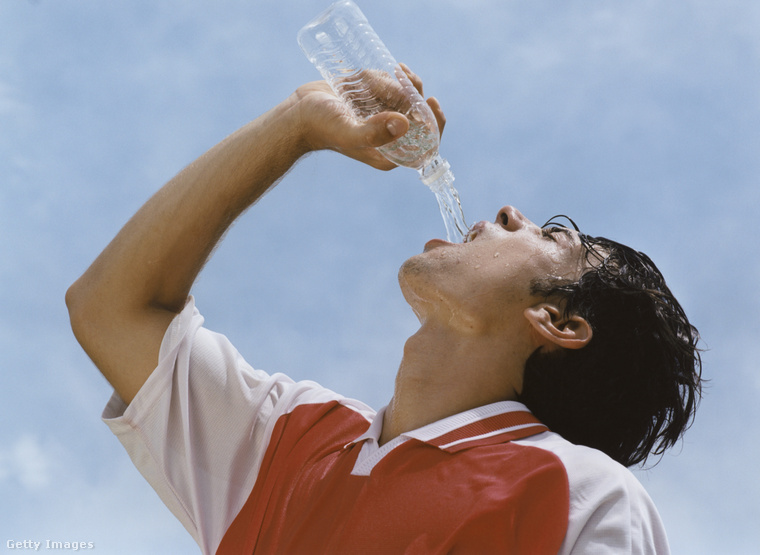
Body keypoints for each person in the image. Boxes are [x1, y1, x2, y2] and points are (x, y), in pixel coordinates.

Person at [66, 67, 702, 554]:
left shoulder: (584, 494)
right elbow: (111, 307)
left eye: (552, 235)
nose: (511, 213)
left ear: (559, 324)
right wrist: (296, 123)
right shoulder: (290, 438)